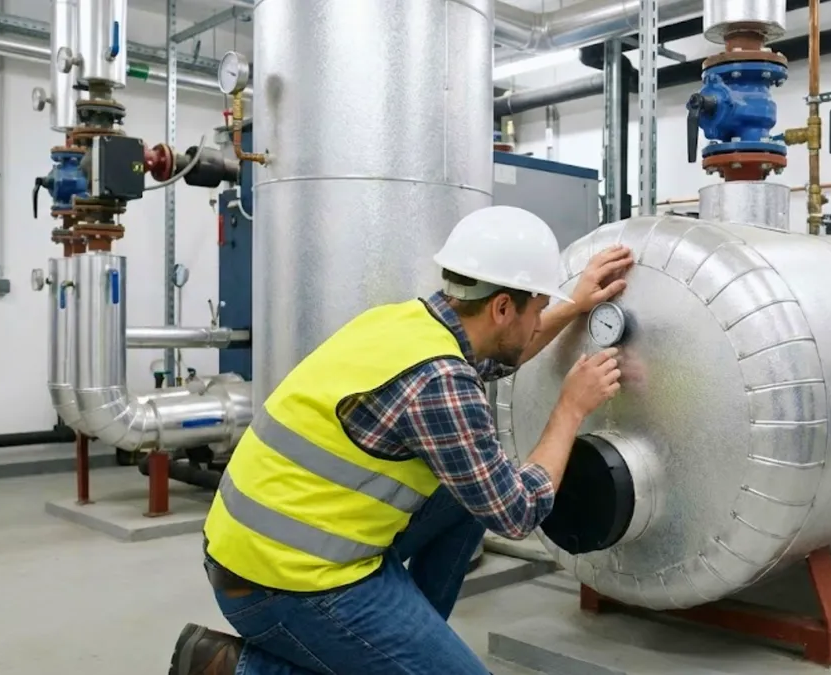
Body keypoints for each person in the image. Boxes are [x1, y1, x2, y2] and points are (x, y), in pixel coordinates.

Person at [168, 205, 634, 675]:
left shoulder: (405, 322)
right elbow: (517, 512)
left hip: (256, 551)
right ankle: (236, 669)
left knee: (468, 494)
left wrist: (573, 304)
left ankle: (396, 650)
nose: (541, 321)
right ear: (501, 307)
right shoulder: (439, 380)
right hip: (281, 583)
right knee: (496, 495)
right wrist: (570, 407)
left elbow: (496, 360)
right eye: (538, 308)